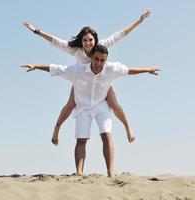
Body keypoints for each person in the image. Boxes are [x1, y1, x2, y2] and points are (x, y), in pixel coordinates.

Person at [21, 44, 160, 177]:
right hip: (83, 107)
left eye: (102, 60)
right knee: (81, 140)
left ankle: (111, 173)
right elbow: (56, 69)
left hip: (101, 106)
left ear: (106, 60)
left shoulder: (111, 69)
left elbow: (129, 71)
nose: (98, 63)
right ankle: (79, 172)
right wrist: (36, 66)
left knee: (107, 135)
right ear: (91, 57)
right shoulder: (78, 70)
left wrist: (148, 69)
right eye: (96, 59)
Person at [23, 10, 151, 145]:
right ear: (81, 41)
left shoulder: (101, 46)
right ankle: (57, 128)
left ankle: (127, 126)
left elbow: (121, 34)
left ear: (95, 39)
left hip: (102, 80)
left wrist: (140, 20)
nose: (88, 43)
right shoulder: (76, 50)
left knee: (113, 103)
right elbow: (56, 42)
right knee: (71, 104)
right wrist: (36, 31)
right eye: (84, 40)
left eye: (90, 40)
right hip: (81, 81)